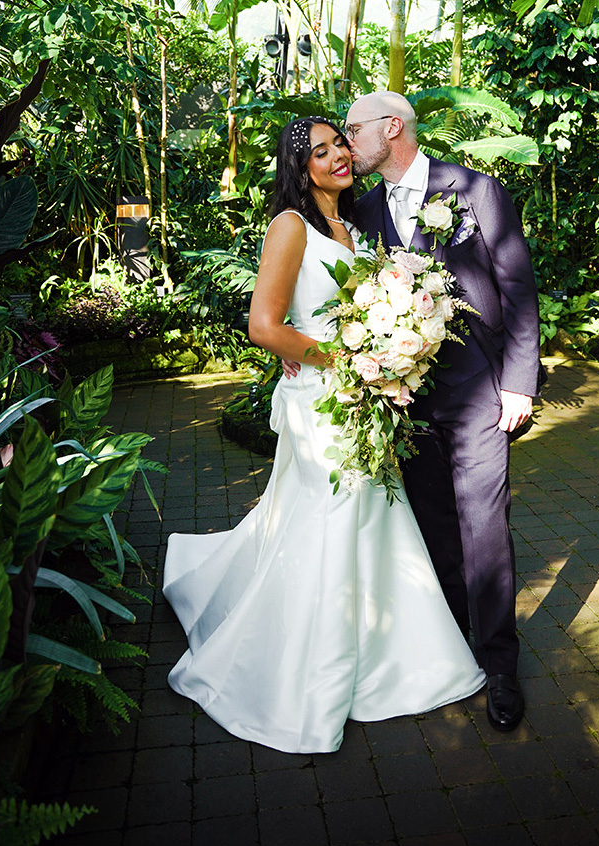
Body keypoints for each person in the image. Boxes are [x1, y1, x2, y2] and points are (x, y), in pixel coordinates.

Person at [162, 116, 485, 755]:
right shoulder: (290, 226)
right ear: (299, 166)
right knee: (335, 518)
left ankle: (389, 657)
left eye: (340, 142)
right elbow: (263, 325)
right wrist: (346, 355)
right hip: (323, 398)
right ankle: (306, 677)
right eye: (320, 150)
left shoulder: (352, 223)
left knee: (372, 517)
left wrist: (389, 345)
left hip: (363, 392)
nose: (337, 155)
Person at [346, 91, 542, 732]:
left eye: (355, 129)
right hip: (405, 396)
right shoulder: (365, 209)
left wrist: (520, 382)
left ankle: (499, 664)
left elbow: (516, 289)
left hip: (480, 389)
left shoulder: (476, 191)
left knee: (483, 524)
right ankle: (451, 642)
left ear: (391, 128)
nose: (350, 142)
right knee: (431, 520)